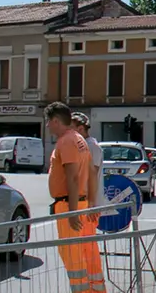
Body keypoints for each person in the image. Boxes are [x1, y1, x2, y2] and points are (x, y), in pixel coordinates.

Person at [45, 102, 105, 292]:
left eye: (48, 122)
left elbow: (73, 176)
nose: (47, 126)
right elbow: (91, 174)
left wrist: (72, 212)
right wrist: (92, 204)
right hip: (83, 203)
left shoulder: (67, 141)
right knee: (86, 251)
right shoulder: (79, 139)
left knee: (72, 254)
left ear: (56, 121)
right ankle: (95, 290)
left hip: (69, 204)